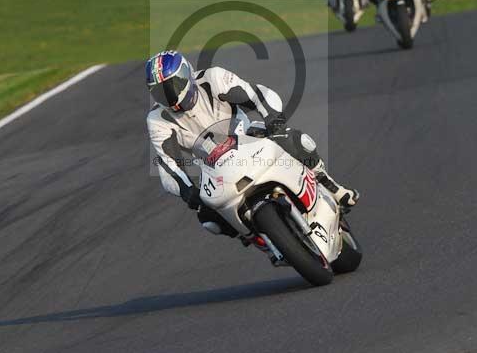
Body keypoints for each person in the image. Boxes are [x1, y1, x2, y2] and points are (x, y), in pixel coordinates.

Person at [146, 50, 360, 241]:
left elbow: (258, 95)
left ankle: (329, 184)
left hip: (248, 136)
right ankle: (257, 238)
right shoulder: (157, 119)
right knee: (208, 218)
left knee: (293, 139)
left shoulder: (213, 79)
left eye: (172, 86)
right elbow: (167, 166)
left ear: (186, 75)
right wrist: (187, 191)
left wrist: (274, 121)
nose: (170, 95)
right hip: (213, 164)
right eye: (160, 91)